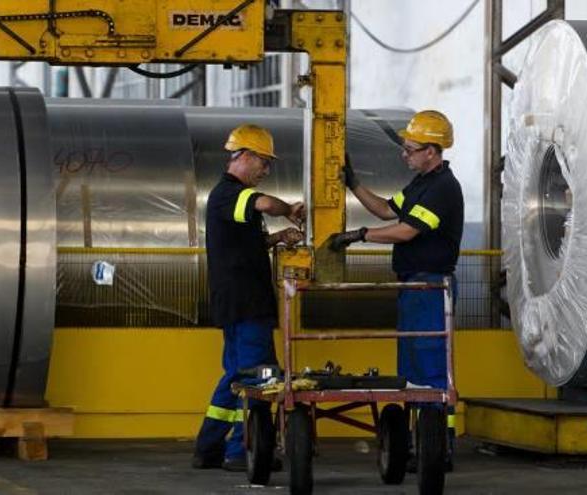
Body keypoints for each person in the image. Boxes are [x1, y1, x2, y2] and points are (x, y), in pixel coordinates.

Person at [329, 110, 463, 470]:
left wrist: (359, 236)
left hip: (431, 288)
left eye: (410, 149)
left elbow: (406, 231)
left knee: (432, 369)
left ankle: (440, 449)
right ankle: (421, 447)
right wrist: (353, 184)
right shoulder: (421, 184)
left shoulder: (443, 189)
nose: (405, 155)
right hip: (412, 285)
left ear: (432, 151)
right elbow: (388, 211)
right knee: (412, 370)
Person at [192, 124, 305, 472]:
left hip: (239, 302)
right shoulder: (230, 193)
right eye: (263, 162)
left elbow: (244, 244)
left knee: (237, 375)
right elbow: (266, 203)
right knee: (259, 376)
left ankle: (209, 447)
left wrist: (277, 239)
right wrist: (289, 210)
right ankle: (243, 451)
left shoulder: (234, 201)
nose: (266, 170)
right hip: (245, 303)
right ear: (243, 156)